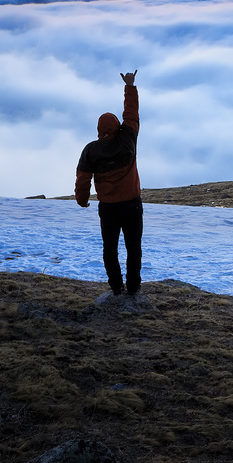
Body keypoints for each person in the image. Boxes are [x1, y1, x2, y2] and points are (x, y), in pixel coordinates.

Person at [75, 71, 143, 295]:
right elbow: (131, 114)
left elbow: (83, 178)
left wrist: (82, 200)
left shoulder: (91, 150)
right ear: (117, 127)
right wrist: (130, 87)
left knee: (110, 249)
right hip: (132, 205)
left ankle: (116, 287)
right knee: (133, 248)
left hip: (109, 208)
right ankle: (133, 288)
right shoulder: (128, 140)